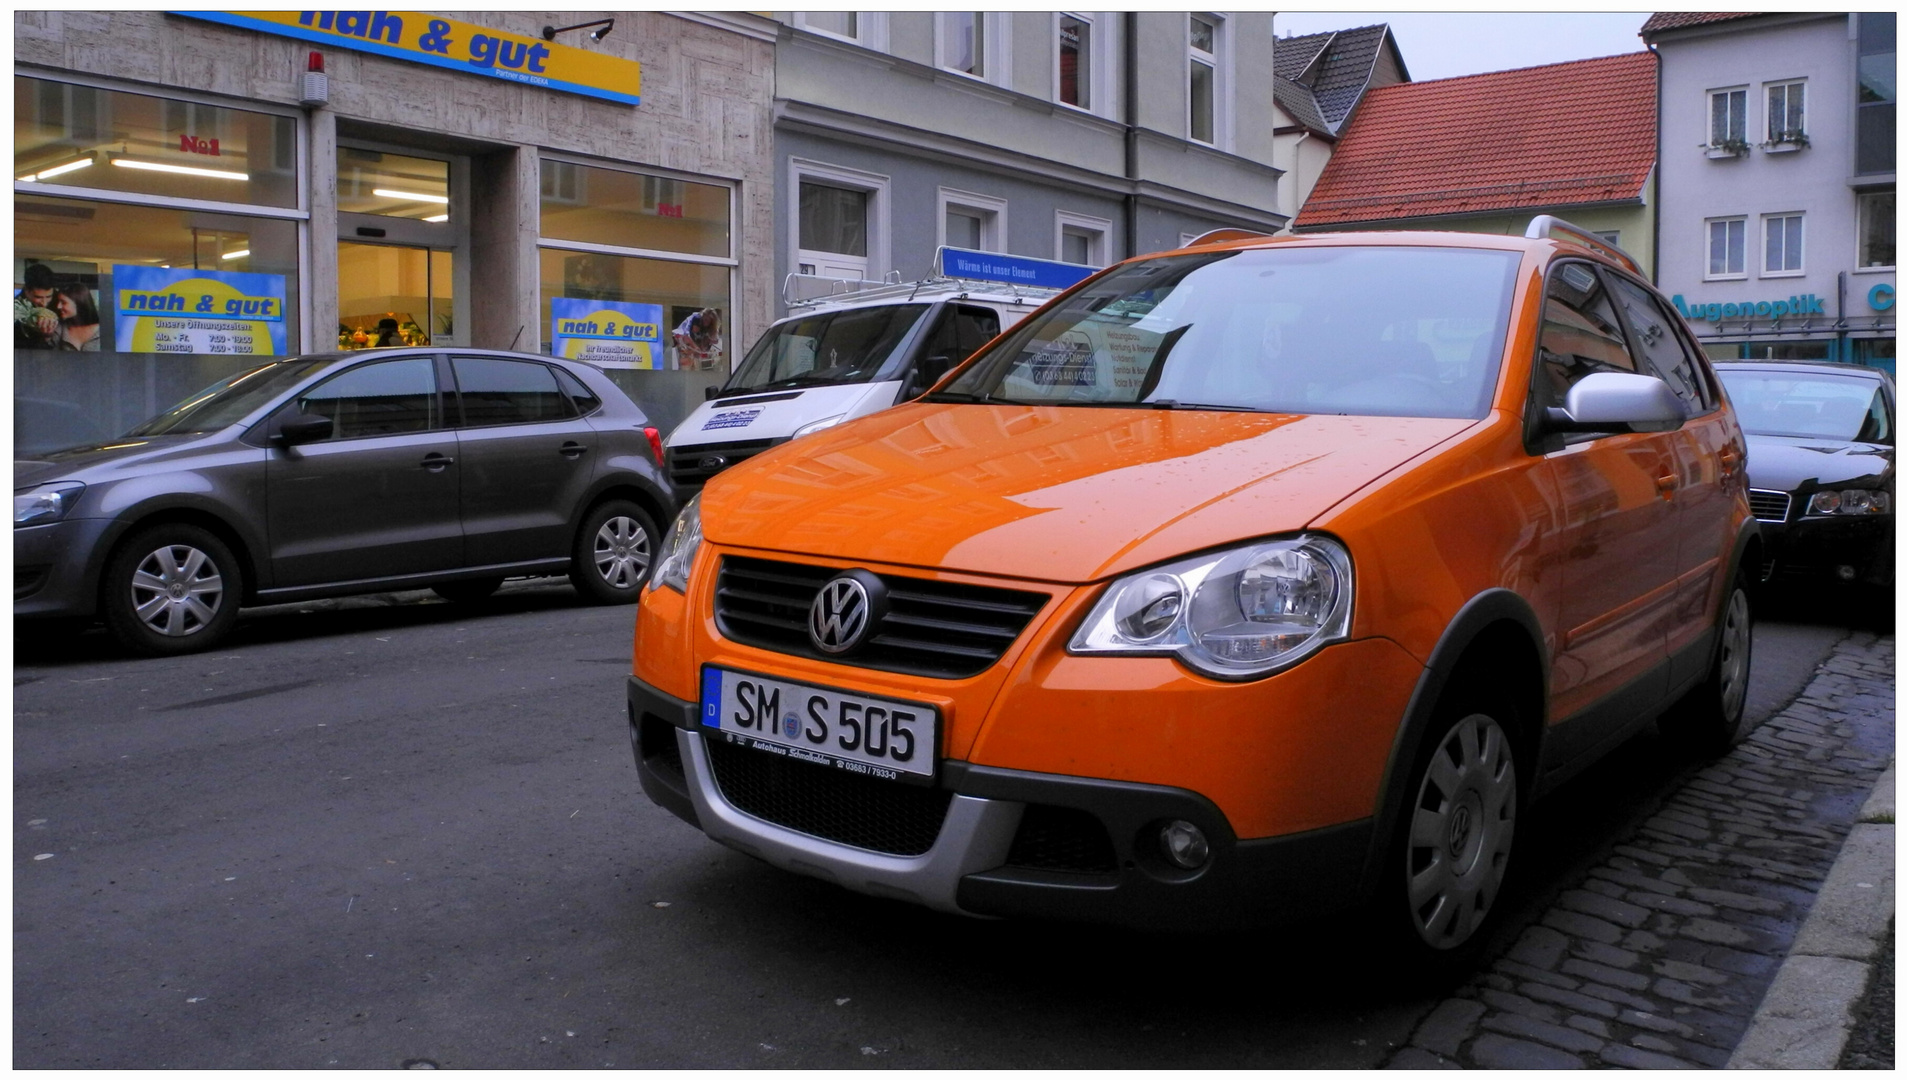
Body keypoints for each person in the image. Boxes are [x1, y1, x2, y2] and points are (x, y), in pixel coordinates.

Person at [15, 262, 60, 349]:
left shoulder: (60, 304)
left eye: (48, 296)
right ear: (27, 291)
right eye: (38, 297)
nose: (44, 303)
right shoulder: (15, 309)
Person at [50, 282, 101, 351]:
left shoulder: (104, 330)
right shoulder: (59, 327)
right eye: (58, 302)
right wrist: (47, 337)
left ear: (79, 303)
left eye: (63, 302)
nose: (58, 306)